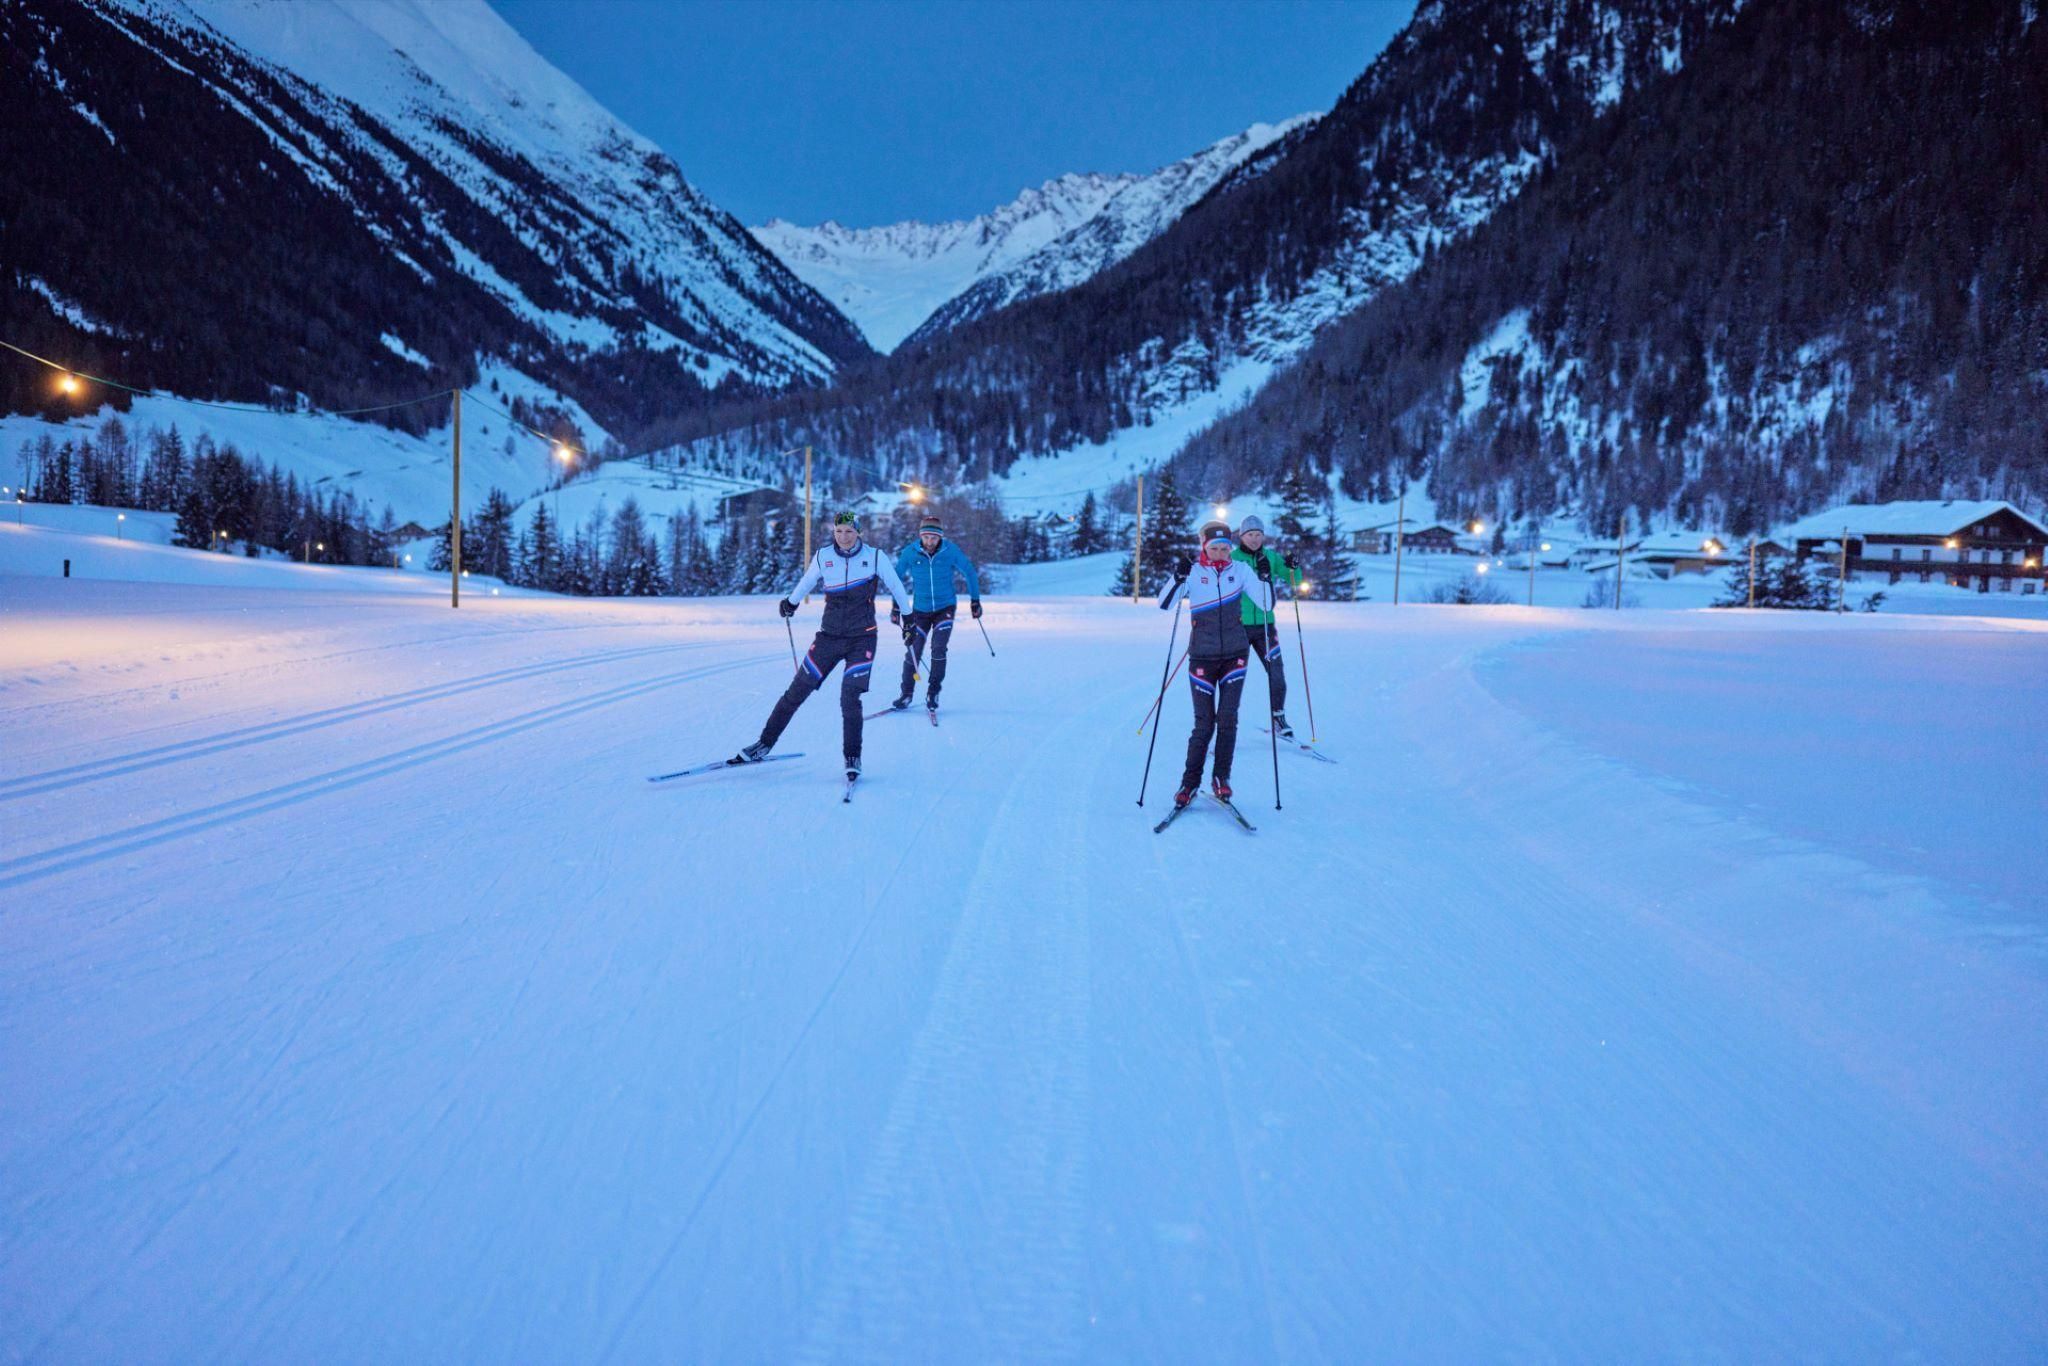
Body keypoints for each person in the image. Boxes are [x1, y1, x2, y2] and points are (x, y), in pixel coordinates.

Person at [733, 511, 913, 781]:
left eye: (849, 531)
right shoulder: (823, 556)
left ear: (858, 532)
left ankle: (852, 757)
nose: (844, 537)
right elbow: (807, 581)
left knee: (849, 698)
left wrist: (908, 619)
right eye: (839, 531)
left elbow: (896, 587)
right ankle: (764, 744)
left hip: (862, 638)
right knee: (796, 692)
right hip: (828, 638)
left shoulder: (875, 557)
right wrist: (791, 602)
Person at [1159, 518, 1261, 808]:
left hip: (1235, 655)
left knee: (1228, 719)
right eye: (1215, 548)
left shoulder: (1240, 570)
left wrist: (1265, 578)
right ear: (1204, 547)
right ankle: (1189, 783)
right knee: (1204, 724)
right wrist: (1177, 577)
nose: (1220, 553)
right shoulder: (1193, 573)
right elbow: (1164, 604)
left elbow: (1266, 604)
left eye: (1225, 548)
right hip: (1202, 657)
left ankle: (1221, 779)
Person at [889, 515, 983, 713]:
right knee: (914, 651)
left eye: (934, 537)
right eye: (926, 537)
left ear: (940, 537)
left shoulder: (950, 551)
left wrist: (975, 600)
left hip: (944, 608)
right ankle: (906, 695)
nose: (930, 541)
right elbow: (896, 579)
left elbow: (970, 572)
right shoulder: (910, 552)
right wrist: (896, 607)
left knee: (938, 648)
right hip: (920, 610)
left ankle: (933, 692)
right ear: (920, 536)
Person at [1230, 515, 1304, 741]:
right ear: (1241, 536)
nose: (1254, 539)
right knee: (1233, 677)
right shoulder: (1233, 558)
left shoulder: (1270, 557)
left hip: (1265, 626)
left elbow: (1294, 581)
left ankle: (1278, 718)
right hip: (1238, 626)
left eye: (1258, 535)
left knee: (1276, 672)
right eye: (1250, 535)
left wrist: (1293, 567)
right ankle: (1226, 723)